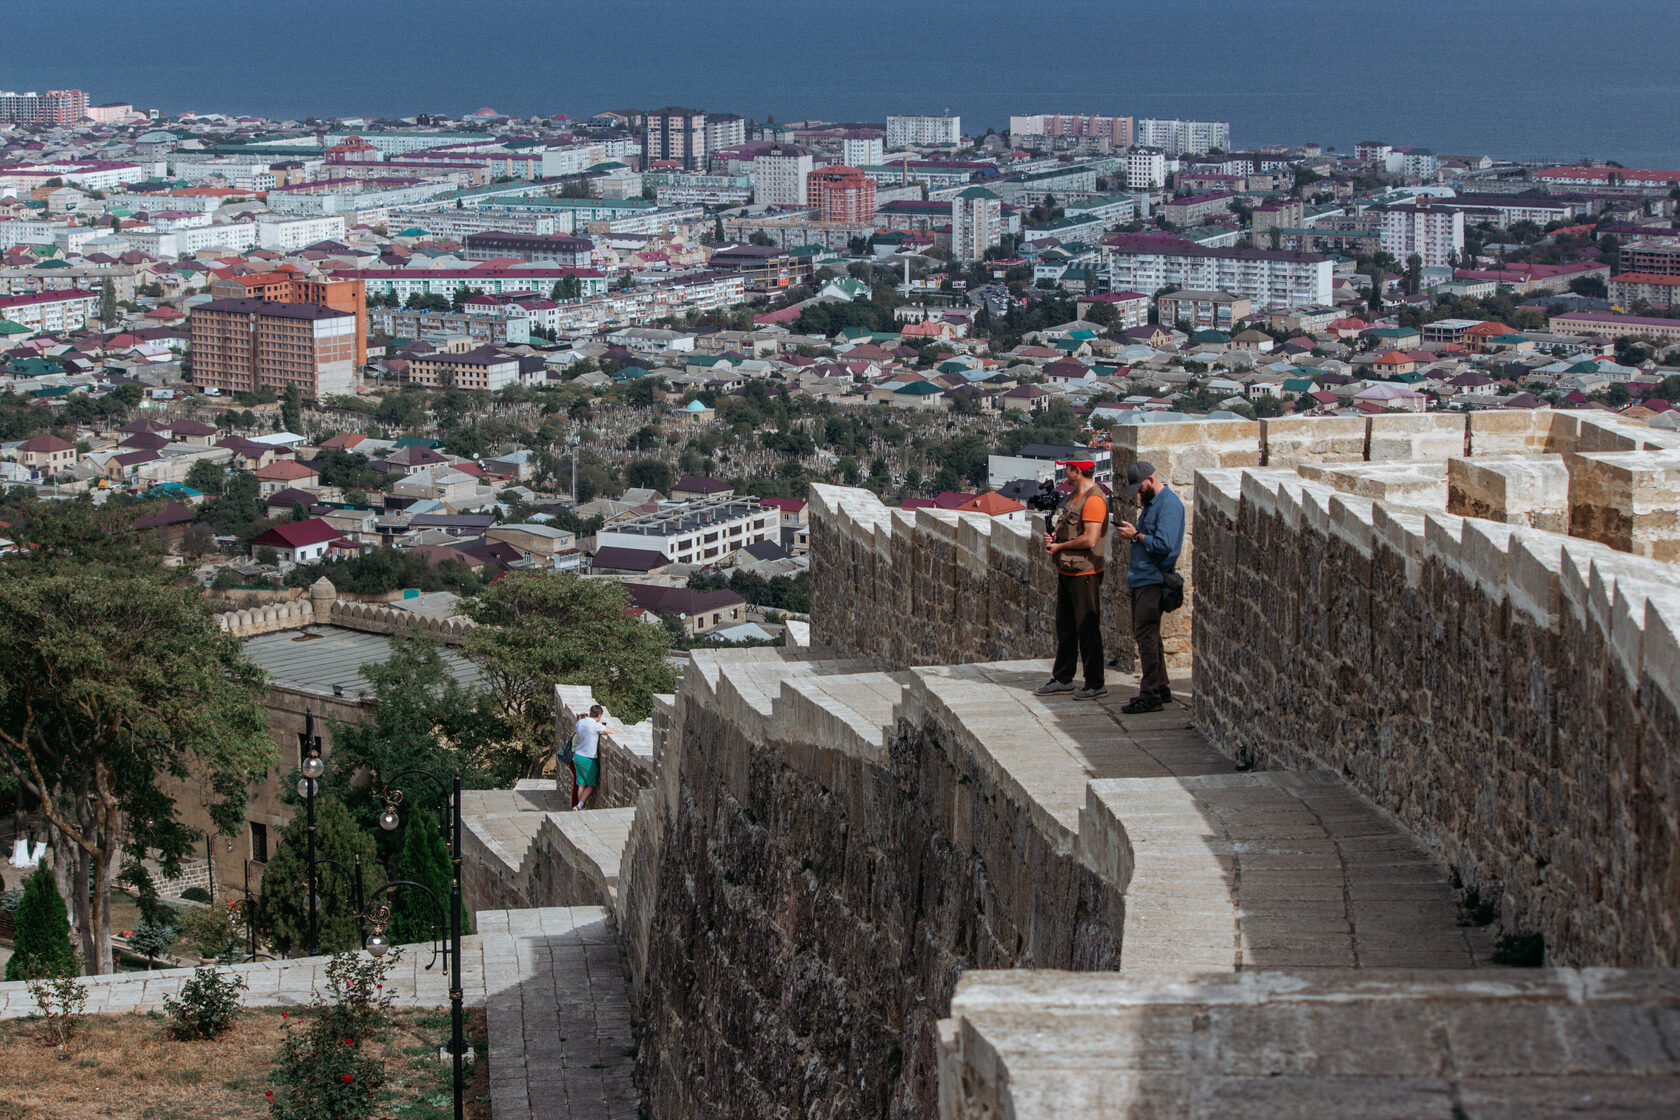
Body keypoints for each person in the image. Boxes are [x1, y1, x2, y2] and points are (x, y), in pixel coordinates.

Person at [1035, 459, 1111, 700]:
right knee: (1065, 627)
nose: (1064, 472)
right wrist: (1056, 536)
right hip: (1068, 570)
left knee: (1087, 627)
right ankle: (1063, 677)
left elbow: (1089, 539)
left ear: (1077, 471)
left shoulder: (1094, 500)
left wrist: (1060, 546)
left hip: (1084, 572)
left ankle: (1095, 682)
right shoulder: (1073, 498)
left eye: (1067, 468)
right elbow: (1072, 529)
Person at [1116, 460, 1184, 714]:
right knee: (1150, 637)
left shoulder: (1169, 505)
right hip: (1142, 577)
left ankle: (1150, 695)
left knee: (1145, 637)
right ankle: (1161, 687)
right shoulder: (1154, 503)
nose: (1139, 492)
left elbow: (1165, 544)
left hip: (1153, 579)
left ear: (1150, 480)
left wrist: (1136, 535)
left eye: (1140, 487)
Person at [571, 704, 611, 810]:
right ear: (599, 715)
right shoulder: (596, 725)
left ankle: (580, 807)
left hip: (577, 756)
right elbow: (610, 732)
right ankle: (579, 806)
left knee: (581, 783)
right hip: (588, 758)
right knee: (591, 784)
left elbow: (576, 730)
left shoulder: (580, 722)